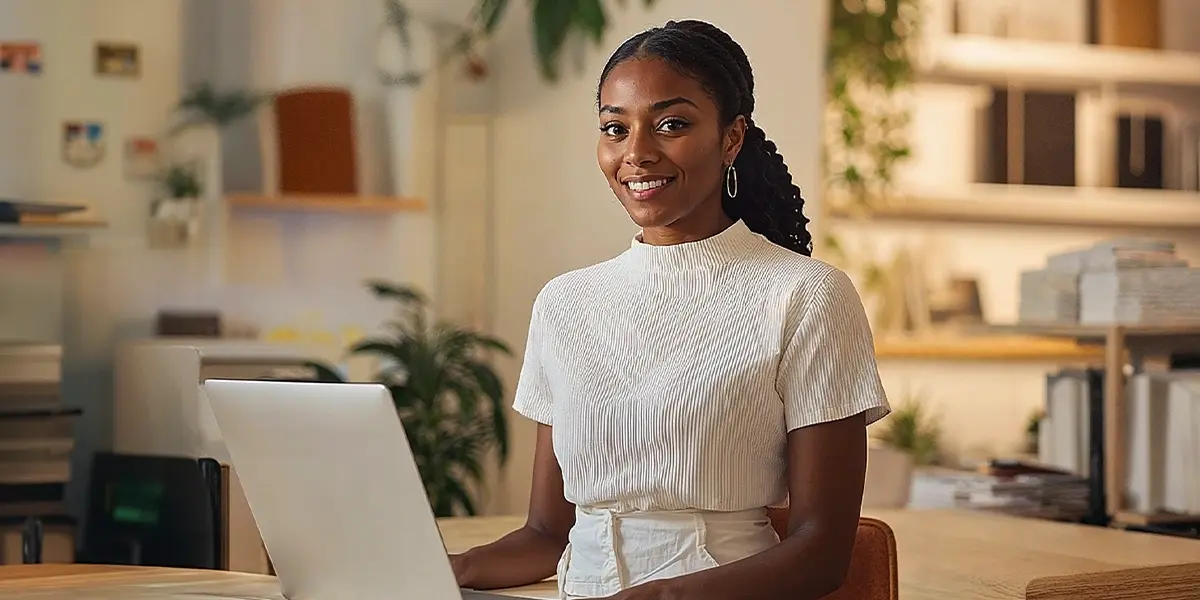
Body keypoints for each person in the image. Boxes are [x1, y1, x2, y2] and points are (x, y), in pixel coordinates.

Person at [450, 19, 890, 600]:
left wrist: (661, 596)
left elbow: (821, 552)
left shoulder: (805, 295)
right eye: (615, 128)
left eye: (671, 125)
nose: (636, 154)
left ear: (731, 137)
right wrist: (419, 564)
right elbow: (545, 535)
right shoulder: (565, 303)